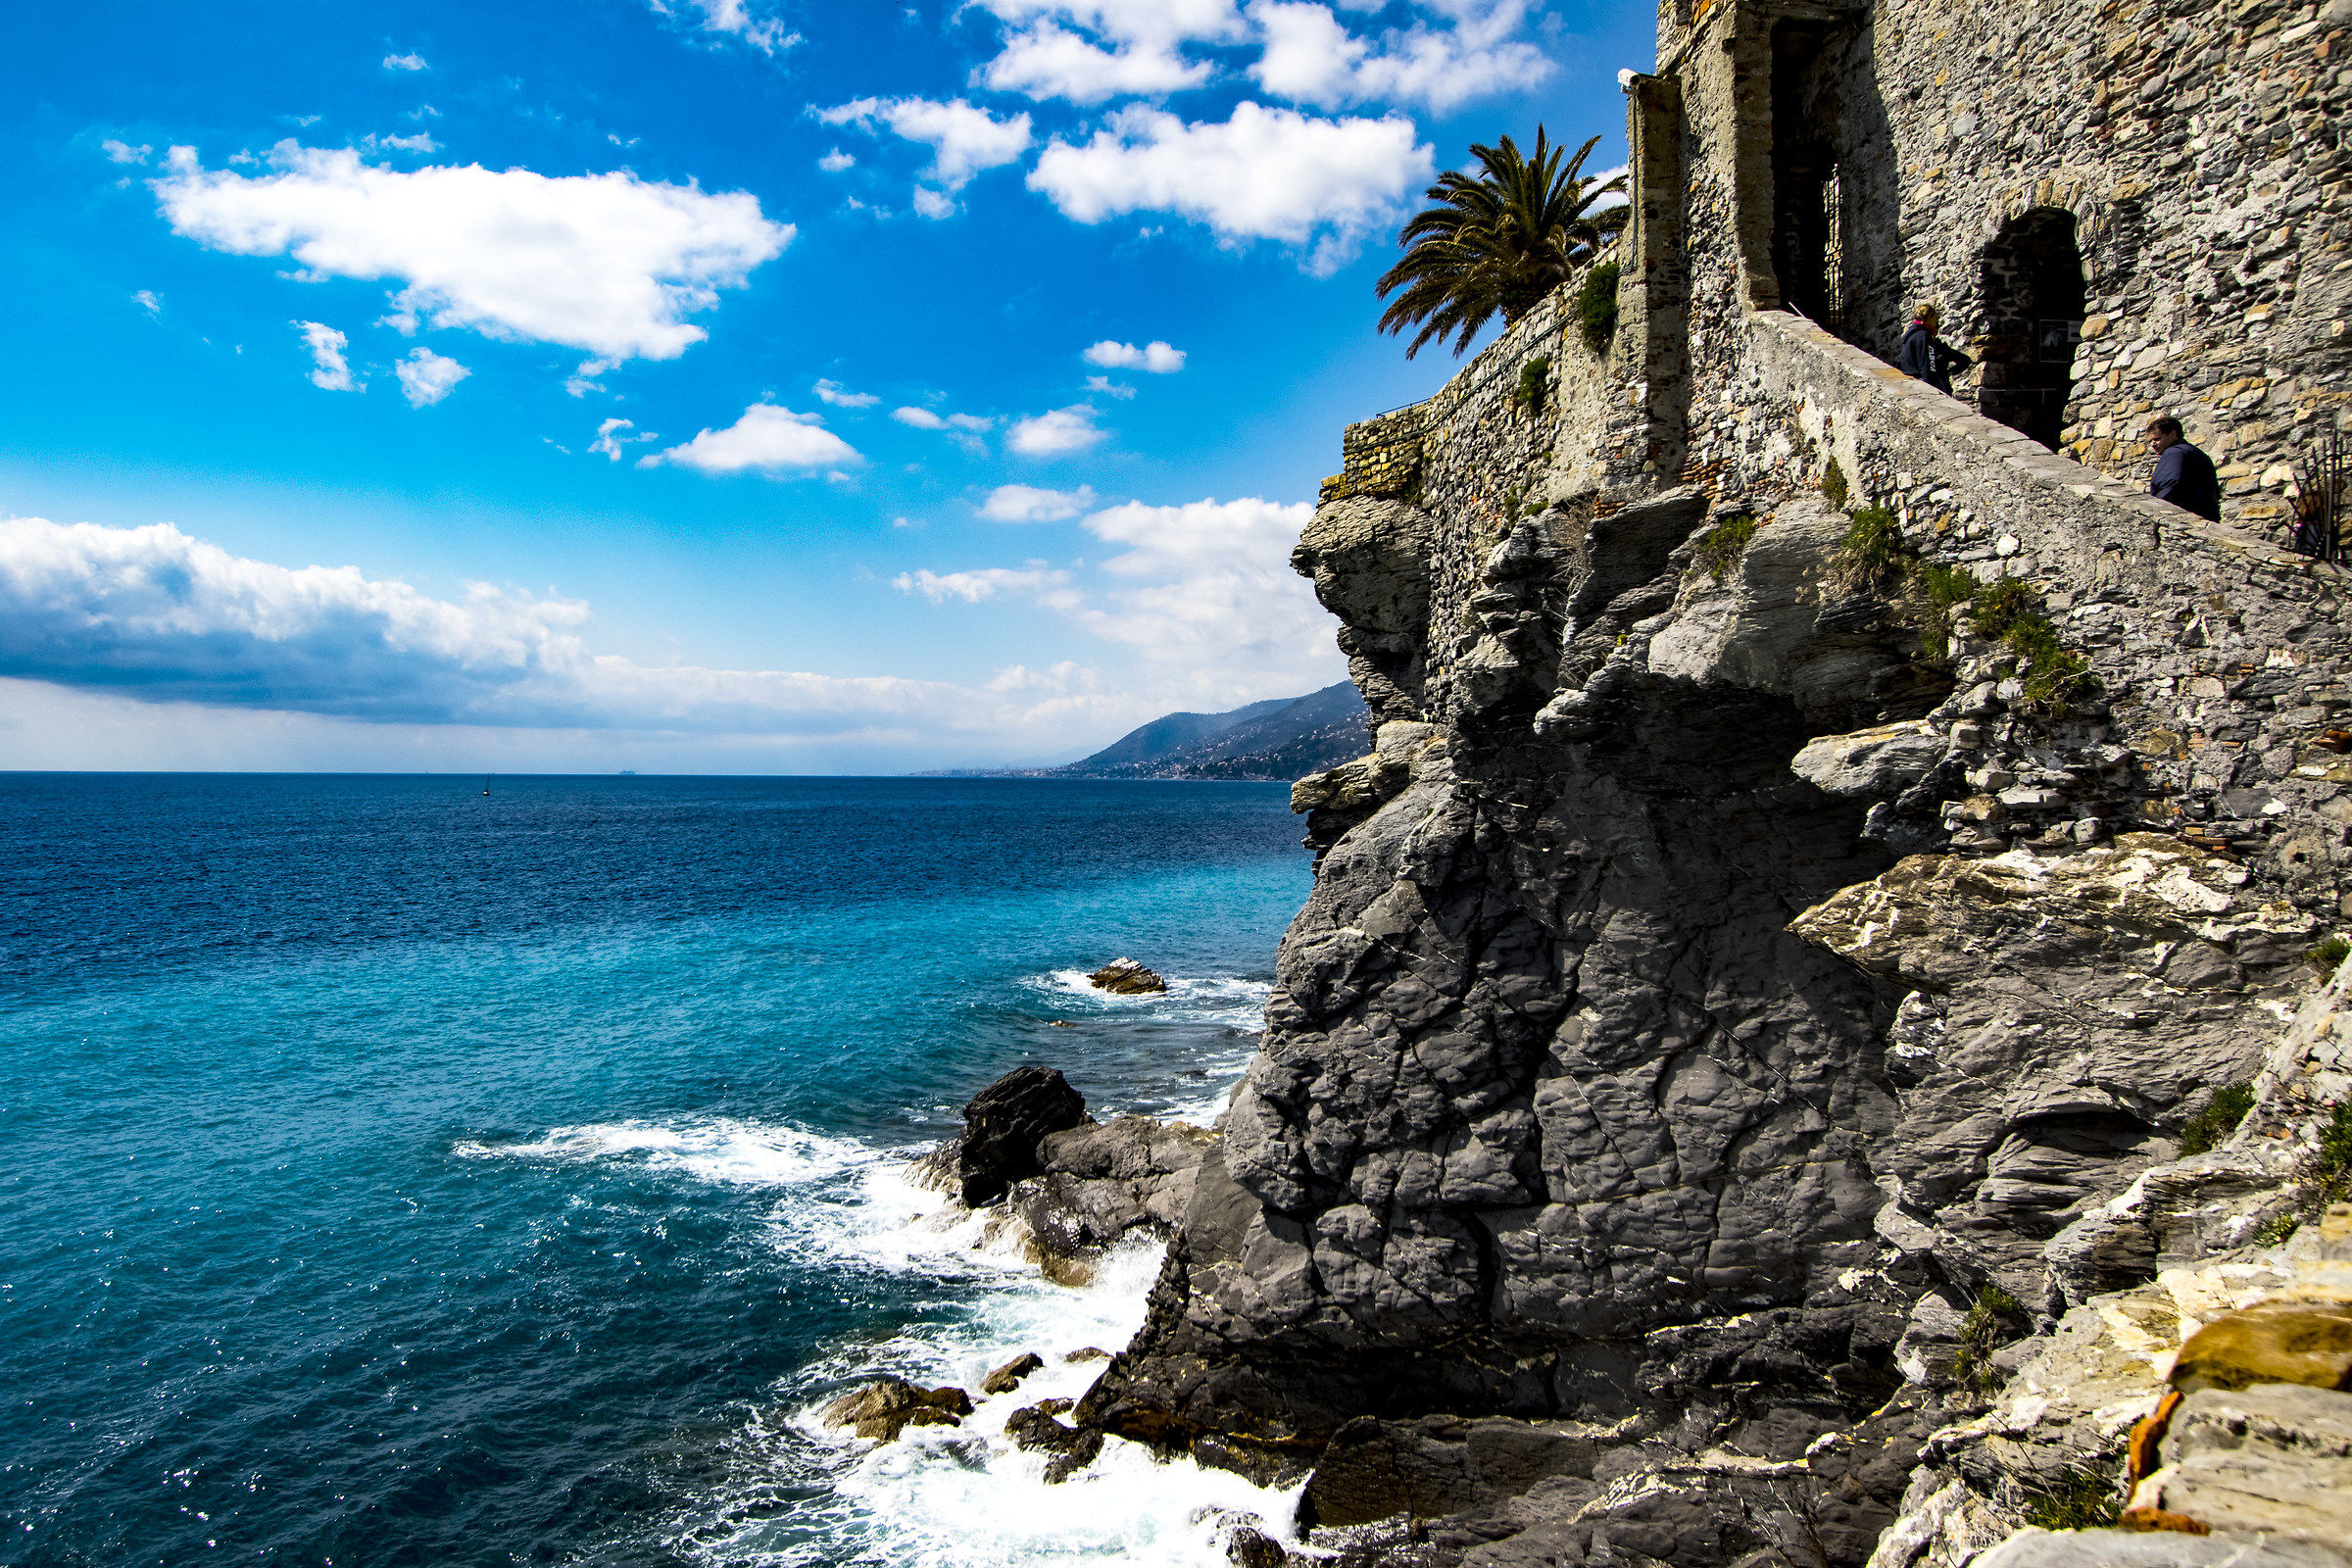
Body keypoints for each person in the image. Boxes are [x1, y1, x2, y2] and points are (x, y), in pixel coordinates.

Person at [2144, 416, 2221, 522]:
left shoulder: (2175, 453)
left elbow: (2170, 486)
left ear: (2173, 434)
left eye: (2157, 439)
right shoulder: (2199, 454)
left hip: (2185, 520)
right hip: (2207, 518)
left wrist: (2154, 512)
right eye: (2151, 441)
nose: (2153, 444)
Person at [1896, 305, 1973, 395]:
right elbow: (1927, 366)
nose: (1937, 322)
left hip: (1912, 385)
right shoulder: (1924, 337)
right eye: (1935, 319)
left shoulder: (1910, 337)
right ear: (1929, 318)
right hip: (1930, 389)